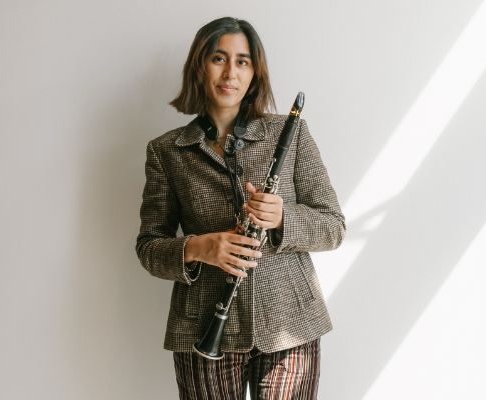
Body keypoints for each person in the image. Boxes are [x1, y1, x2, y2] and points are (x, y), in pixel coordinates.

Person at [136, 16, 345, 400]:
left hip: (290, 324)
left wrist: (283, 217)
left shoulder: (291, 134)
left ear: (254, 72)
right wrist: (199, 248)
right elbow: (149, 247)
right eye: (219, 58)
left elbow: (334, 227)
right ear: (200, 66)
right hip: (202, 325)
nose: (230, 72)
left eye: (243, 61)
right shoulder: (166, 151)